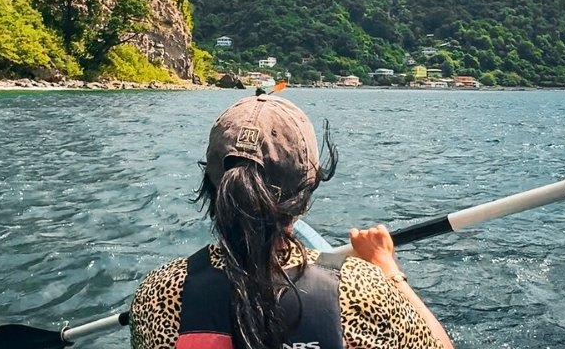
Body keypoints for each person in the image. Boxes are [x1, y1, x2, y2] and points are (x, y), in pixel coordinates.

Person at [130, 94, 454, 349]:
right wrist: (389, 271)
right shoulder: (359, 291)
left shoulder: (160, 293)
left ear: (211, 185)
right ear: (306, 193)